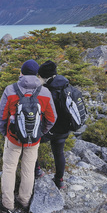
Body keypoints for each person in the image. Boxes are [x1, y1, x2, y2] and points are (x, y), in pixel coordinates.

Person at [0, 59, 57, 213]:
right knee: (28, 169)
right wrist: (40, 132)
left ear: (21, 73)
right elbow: (52, 118)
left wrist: (6, 133)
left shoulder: (10, 90)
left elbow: (1, 116)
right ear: (36, 74)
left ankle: (7, 204)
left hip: (13, 137)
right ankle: (24, 201)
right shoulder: (44, 92)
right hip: (34, 139)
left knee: (9, 169)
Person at [34, 60, 71, 189]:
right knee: (59, 153)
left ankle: (37, 170)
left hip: (50, 129)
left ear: (44, 77)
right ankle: (59, 180)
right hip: (65, 128)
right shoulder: (66, 84)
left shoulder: (46, 91)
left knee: (32, 143)